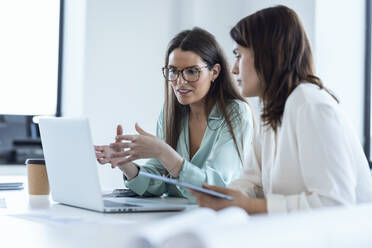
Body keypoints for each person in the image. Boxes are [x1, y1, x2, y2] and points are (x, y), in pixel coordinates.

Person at [190, 5, 372, 213]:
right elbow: (253, 182)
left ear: (268, 54)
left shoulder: (310, 105)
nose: (234, 68)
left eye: (239, 55)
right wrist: (225, 195)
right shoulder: (272, 108)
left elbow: (334, 203)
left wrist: (248, 205)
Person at [95, 27, 253, 200]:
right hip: (172, 215)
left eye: (192, 71)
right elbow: (157, 180)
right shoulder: (170, 112)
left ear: (214, 72)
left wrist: (163, 152)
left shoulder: (235, 113)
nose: (180, 82)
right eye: (173, 71)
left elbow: (217, 189)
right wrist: (124, 162)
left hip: (214, 219)